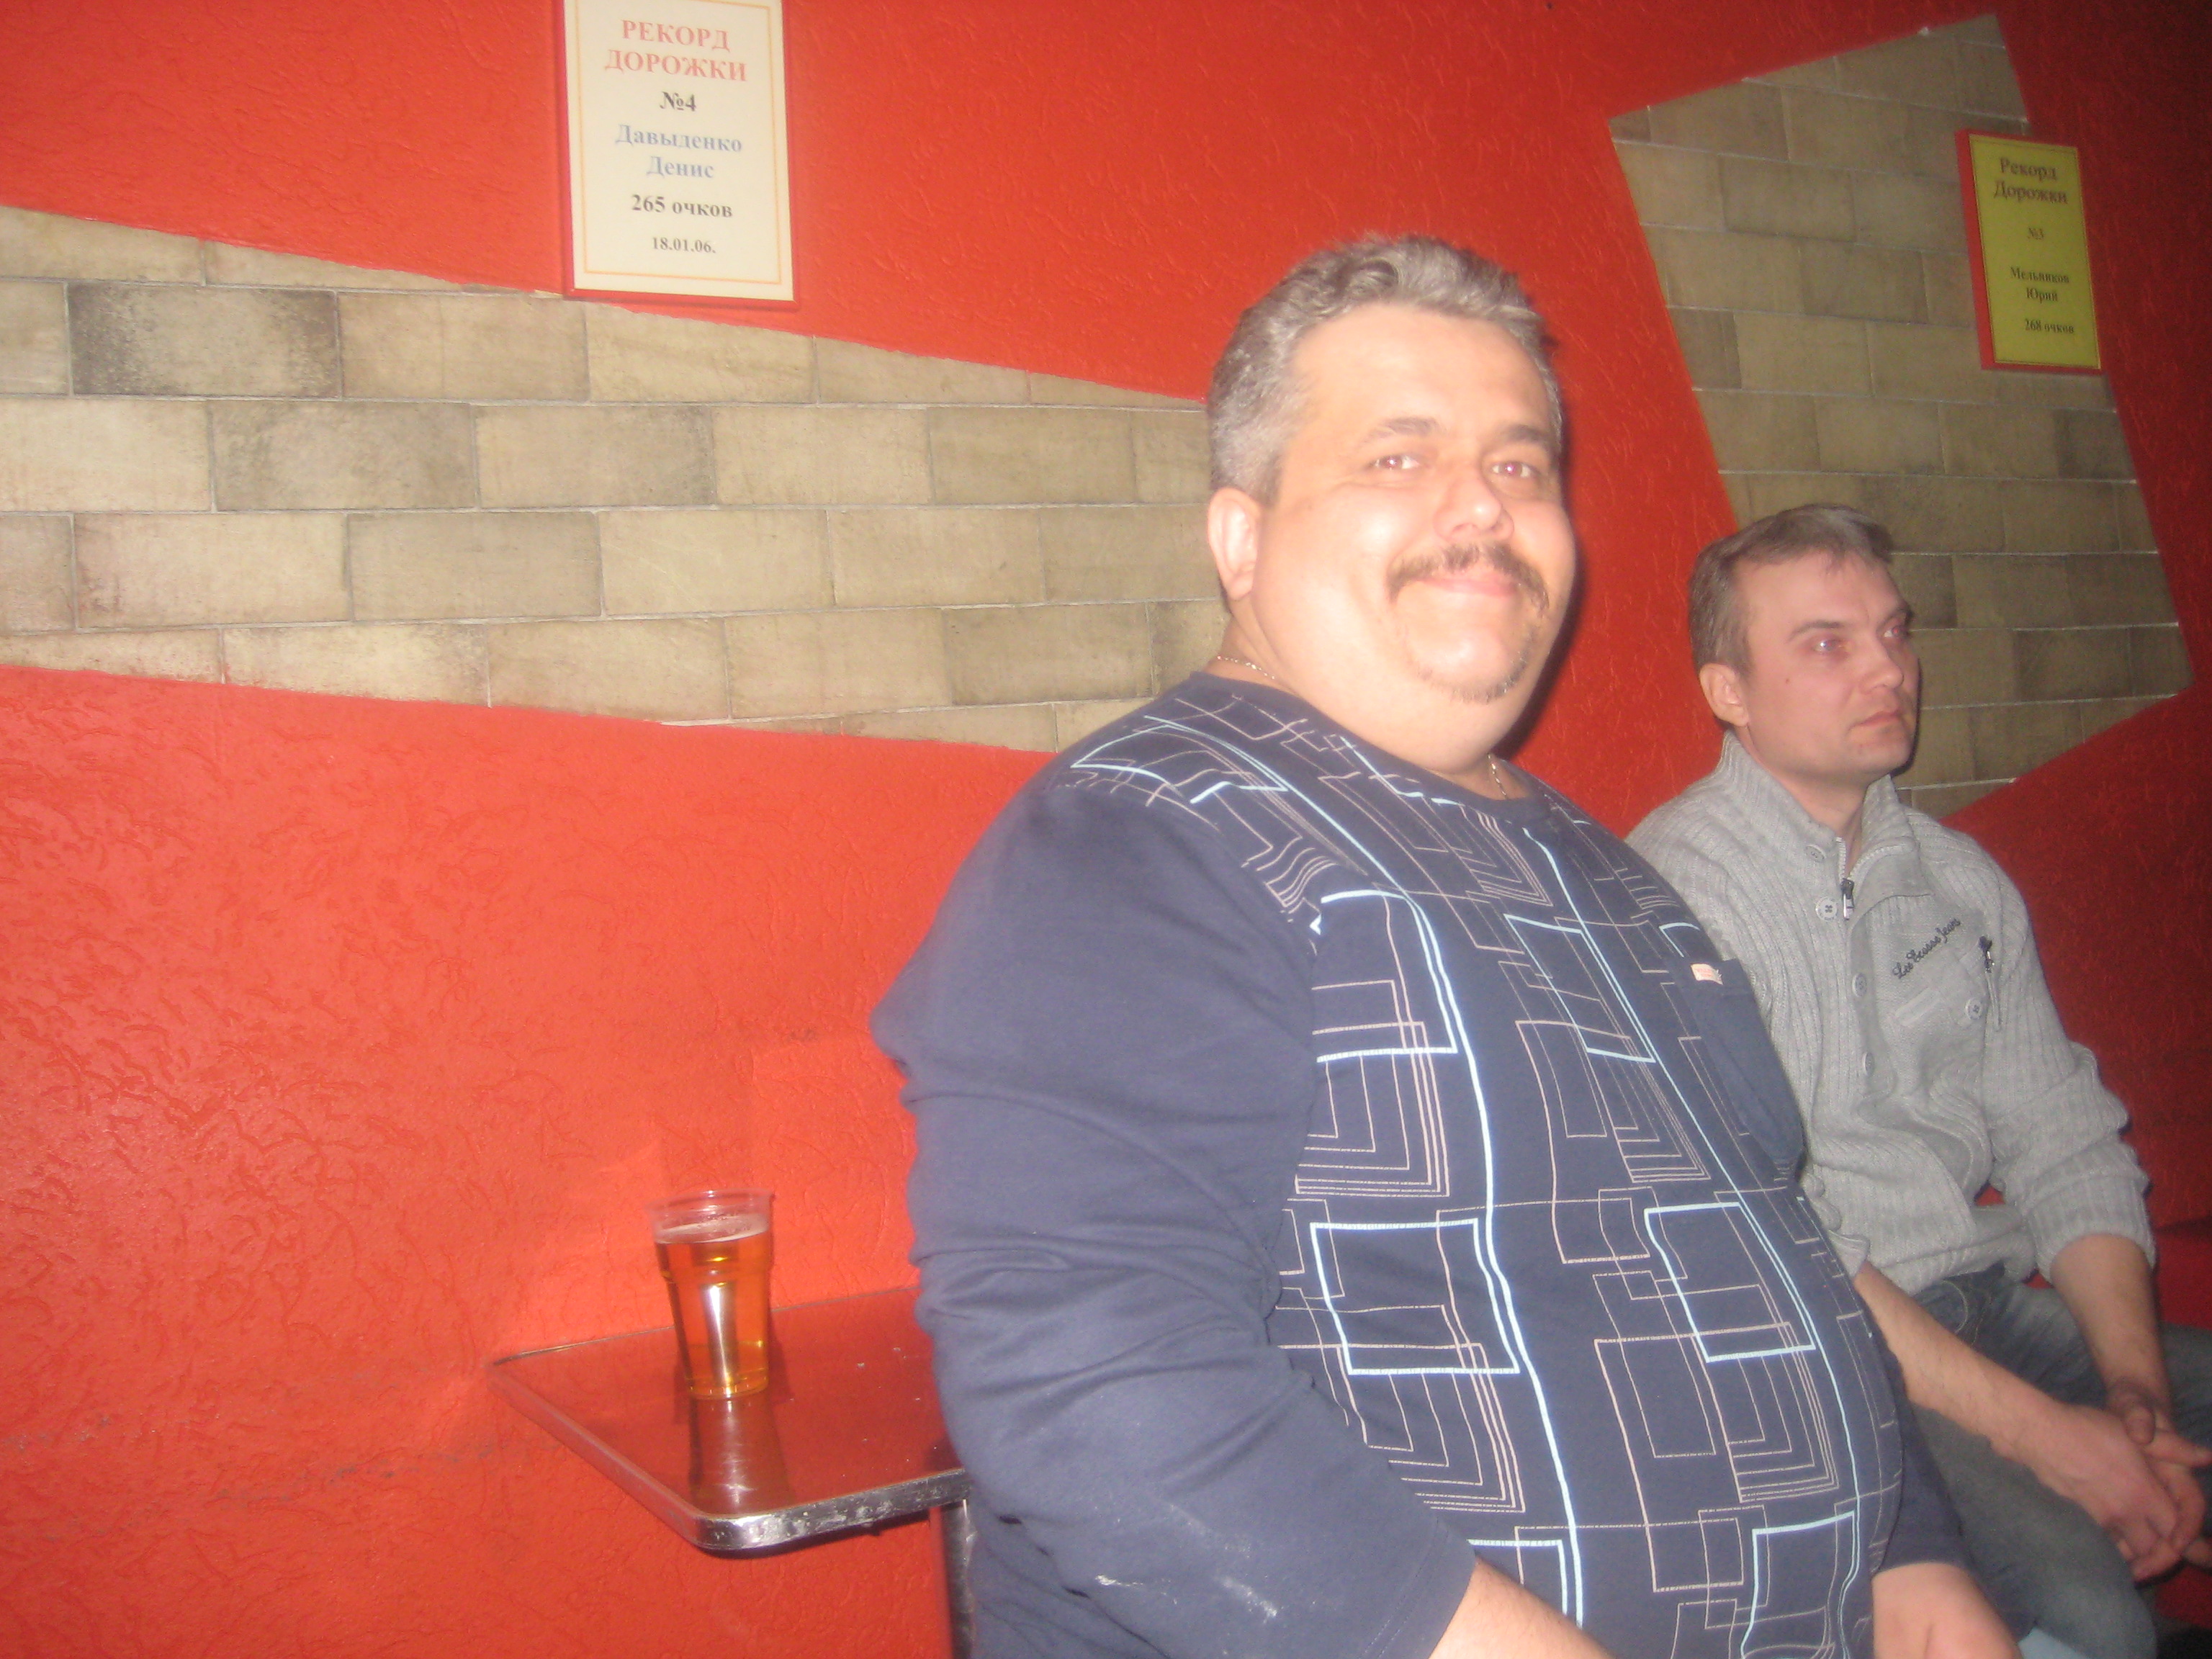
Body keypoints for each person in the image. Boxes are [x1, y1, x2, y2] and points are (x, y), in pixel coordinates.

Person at [874, 239, 2006, 1659]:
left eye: (1520, 464)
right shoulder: (1140, 841)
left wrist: (1909, 1551)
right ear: (1240, 541)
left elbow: (1765, 1245)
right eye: (1399, 458)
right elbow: (1087, 1370)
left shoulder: (1611, 874)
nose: (1483, 504)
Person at [1630, 504, 2212, 1659]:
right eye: (1828, 643)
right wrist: (2051, 1436)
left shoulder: (1959, 882)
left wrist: (2131, 1392)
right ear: (1729, 692)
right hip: (1822, 1354)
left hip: (1985, 1306)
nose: (1889, 669)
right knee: (2093, 1611)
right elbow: (1773, 1231)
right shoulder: (1674, 896)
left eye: (1894, 632)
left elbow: (2061, 1135)